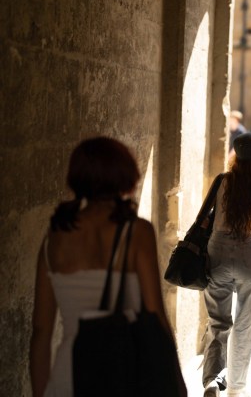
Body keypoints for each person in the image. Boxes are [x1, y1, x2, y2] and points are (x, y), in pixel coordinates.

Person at [29, 137, 186, 397]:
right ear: (124, 174)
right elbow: (156, 313)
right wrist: (175, 380)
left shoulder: (53, 240)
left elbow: (41, 332)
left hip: (70, 375)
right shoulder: (136, 232)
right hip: (122, 374)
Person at [202, 132, 251, 397]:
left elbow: (203, 220)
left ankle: (212, 381)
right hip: (248, 256)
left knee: (218, 322)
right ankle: (236, 388)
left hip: (217, 254)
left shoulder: (222, 182)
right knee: (244, 325)